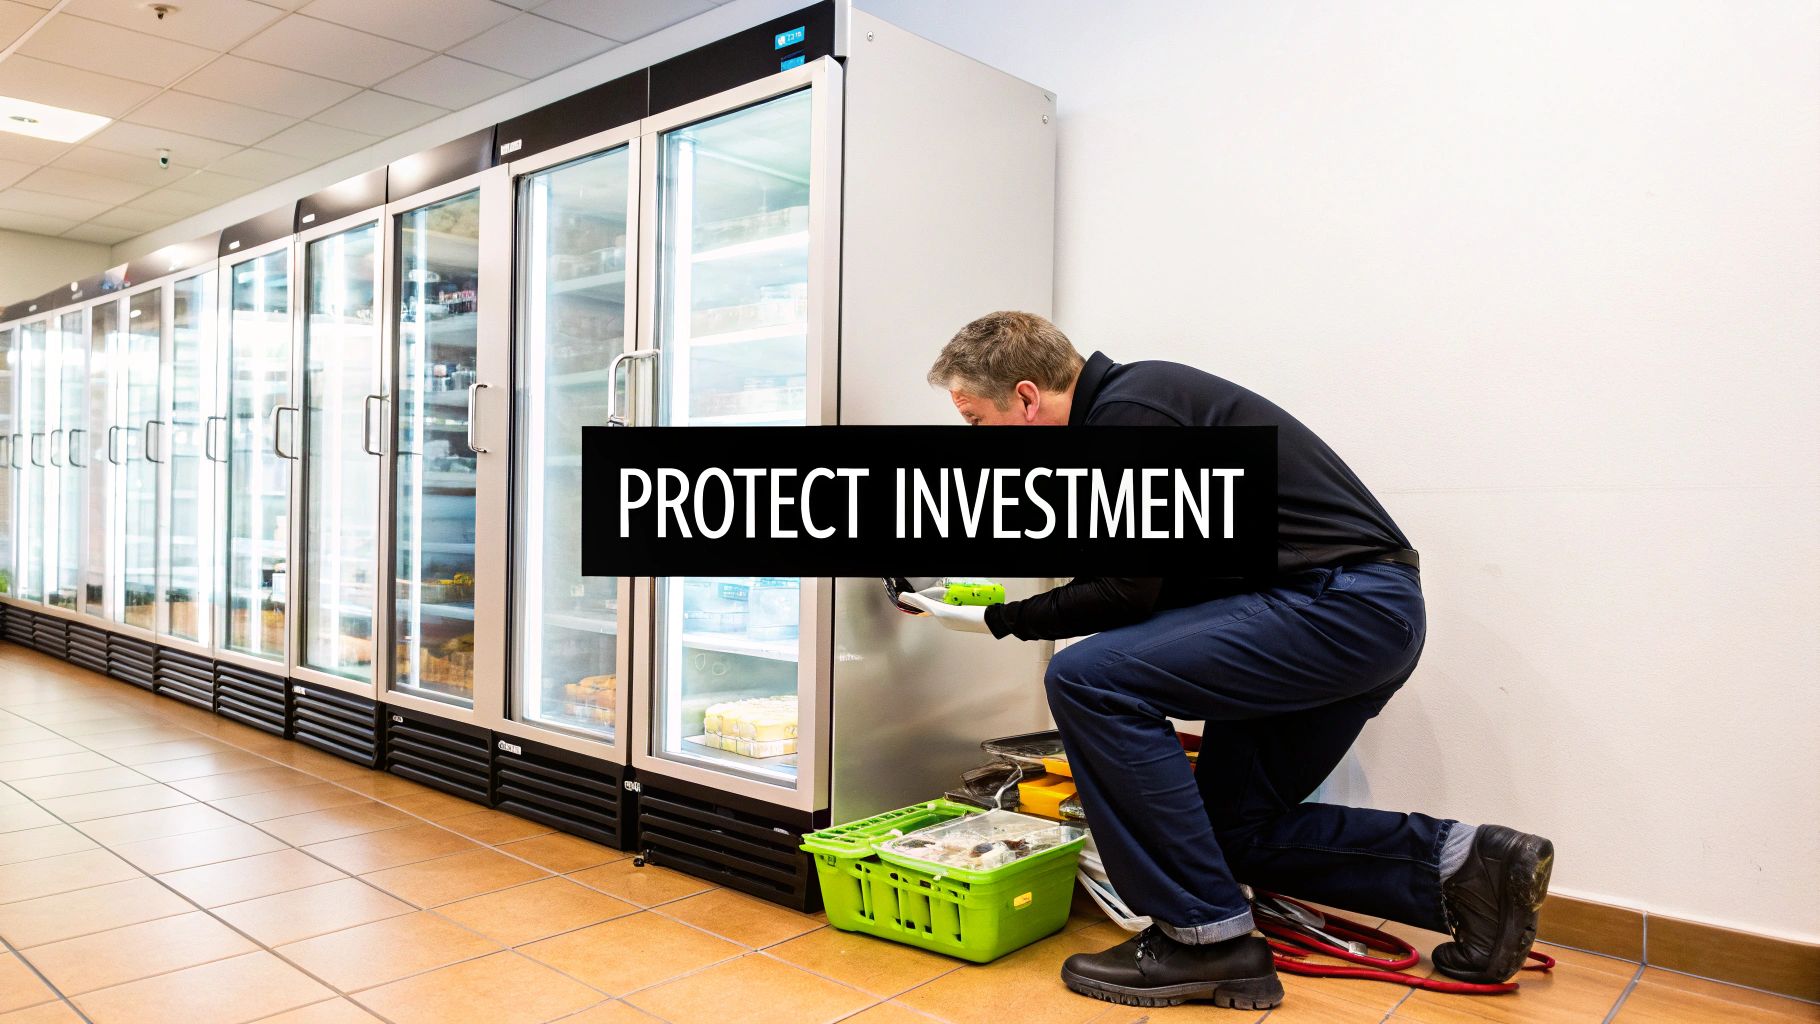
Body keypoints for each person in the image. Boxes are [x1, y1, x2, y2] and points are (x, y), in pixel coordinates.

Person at [897, 311, 1554, 1011]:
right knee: (1230, 832)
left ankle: (1203, 944)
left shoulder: (1128, 417)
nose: (973, 440)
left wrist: (997, 621)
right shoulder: (1140, 411)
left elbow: (1123, 593)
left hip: (1336, 607)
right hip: (1356, 612)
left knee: (1088, 677)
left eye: (973, 422)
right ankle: (1467, 863)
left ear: (1026, 398)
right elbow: (1133, 577)